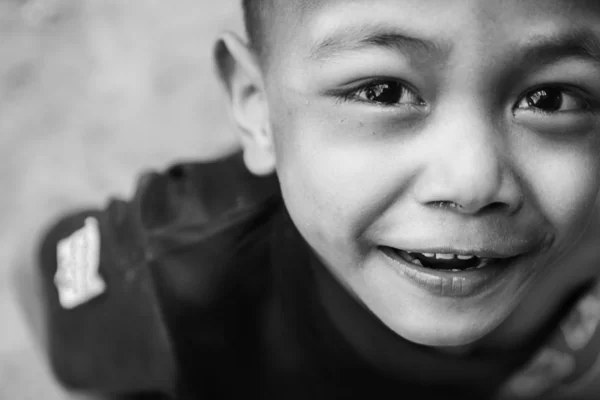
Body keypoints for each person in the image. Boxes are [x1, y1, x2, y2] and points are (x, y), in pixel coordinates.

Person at [36, 0, 600, 398]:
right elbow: (40, 282)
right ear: (257, 107)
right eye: (383, 92)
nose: (473, 183)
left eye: (550, 99)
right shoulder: (178, 266)